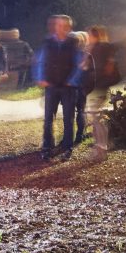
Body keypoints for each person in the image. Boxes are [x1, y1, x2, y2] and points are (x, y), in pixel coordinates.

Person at [34, 14, 83, 160]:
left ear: (68, 27)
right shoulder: (48, 42)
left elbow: (79, 65)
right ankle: (47, 147)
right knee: (49, 118)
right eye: (57, 25)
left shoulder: (74, 43)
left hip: (68, 87)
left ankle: (67, 147)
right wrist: (40, 77)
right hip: (51, 85)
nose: (59, 28)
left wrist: (72, 80)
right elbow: (41, 61)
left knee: (68, 118)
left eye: (63, 26)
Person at [84, 25, 119, 158]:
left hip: (98, 87)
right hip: (99, 87)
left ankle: (101, 149)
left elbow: (91, 68)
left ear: (95, 36)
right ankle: (103, 146)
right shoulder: (101, 48)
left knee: (96, 118)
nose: (87, 38)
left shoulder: (100, 48)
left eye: (89, 35)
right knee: (96, 118)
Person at [72, 31, 94, 144]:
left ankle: (68, 137)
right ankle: (80, 135)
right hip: (81, 88)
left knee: (69, 113)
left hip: (68, 88)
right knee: (81, 111)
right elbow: (91, 75)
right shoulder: (86, 56)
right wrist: (87, 89)